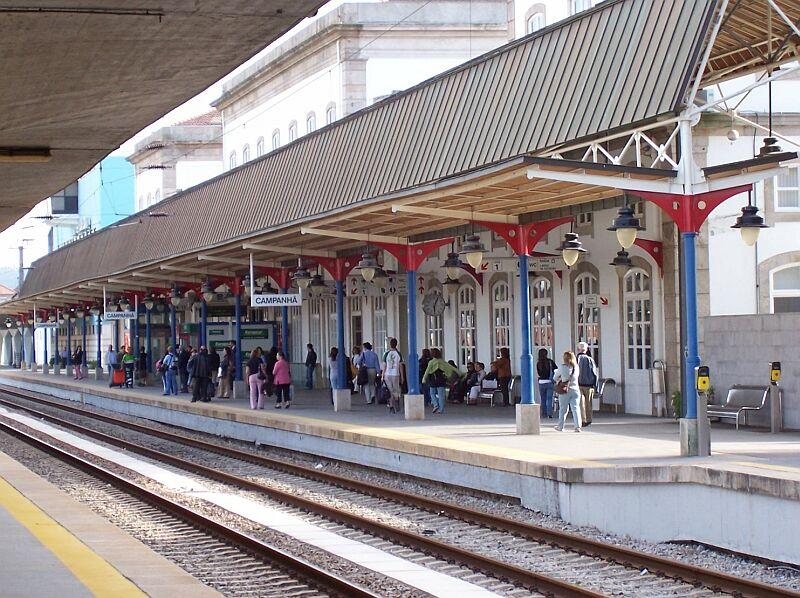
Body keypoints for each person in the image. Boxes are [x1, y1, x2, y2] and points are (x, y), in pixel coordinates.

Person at [422, 349, 463, 415]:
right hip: (441, 379)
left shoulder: (431, 362)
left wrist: (424, 378)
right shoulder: (443, 362)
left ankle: (435, 405)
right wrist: (460, 373)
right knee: (441, 395)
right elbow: (451, 367)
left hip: (433, 379)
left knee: (432, 393)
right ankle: (441, 410)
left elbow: (427, 371)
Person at [554, 351, 582, 432]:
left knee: (563, 409)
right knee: (576, 408)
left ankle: (560, 426)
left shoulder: (562, 367)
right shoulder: (576, 367)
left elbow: (555, 377)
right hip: (575, 389)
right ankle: (577, 426)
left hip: (565, 390)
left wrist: (559, 378)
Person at [576, 342, 599, 427]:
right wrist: (596, 387)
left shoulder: (575, 359)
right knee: (588, 403)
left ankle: (583, 420)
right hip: (589, 385)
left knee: (580, 403)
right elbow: (594, 373)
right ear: (586, 350)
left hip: (578, 385)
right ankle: (589, 419)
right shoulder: (590, 359)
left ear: (578, 349)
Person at [381, 338, 404, 413]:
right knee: (396, 389)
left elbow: (384, 365)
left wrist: (382, 375)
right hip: (395, 374)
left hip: (387, 374)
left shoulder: (386, 354)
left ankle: (391, 406)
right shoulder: (398, 353)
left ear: (390, 344)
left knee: (390, 390)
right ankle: (397, 402)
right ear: (396, 344)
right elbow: (401, 366)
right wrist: (402, 376)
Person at [536, 348, 558, 418]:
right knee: (549, 398)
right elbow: (556, 370)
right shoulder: (550, 362)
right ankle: (549, 414)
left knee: (543, 399)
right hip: (549, 382)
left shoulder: (538, 363)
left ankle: (544, 413)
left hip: (541, 382)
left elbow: (539, 373)